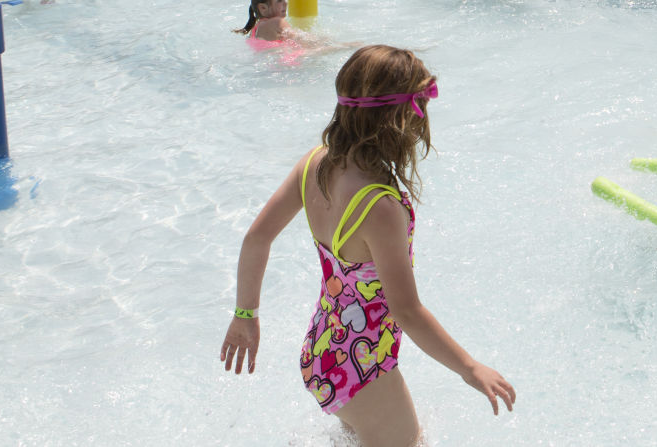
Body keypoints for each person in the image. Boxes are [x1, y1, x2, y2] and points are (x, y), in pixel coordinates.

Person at [219, 45, 515, 441]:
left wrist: (246, 315)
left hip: (325, 351)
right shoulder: (379, 206)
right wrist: (469, 367)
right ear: (398, 118)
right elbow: (406, 311)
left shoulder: (314, 163)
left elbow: (257, 238)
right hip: (363, 367)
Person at [234, 0, 301, 45]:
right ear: (263, 8)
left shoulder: (254, 29)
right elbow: (300, 40)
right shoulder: (277, 22)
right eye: (279, 1)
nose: (286, 3)